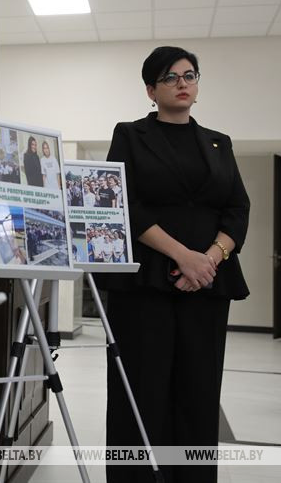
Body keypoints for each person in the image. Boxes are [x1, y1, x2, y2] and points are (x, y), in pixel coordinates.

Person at [96, 46, 250, 483]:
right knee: (140, 390)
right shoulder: (130, 135)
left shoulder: (219, 142)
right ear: (151, 90)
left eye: (189, 75)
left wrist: (209, 260)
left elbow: (237, 209)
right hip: (143, 282)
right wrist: (184, 256)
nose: (182, 83)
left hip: (208, 284)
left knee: (199, 391)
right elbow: (121, 201)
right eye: (170, 77)